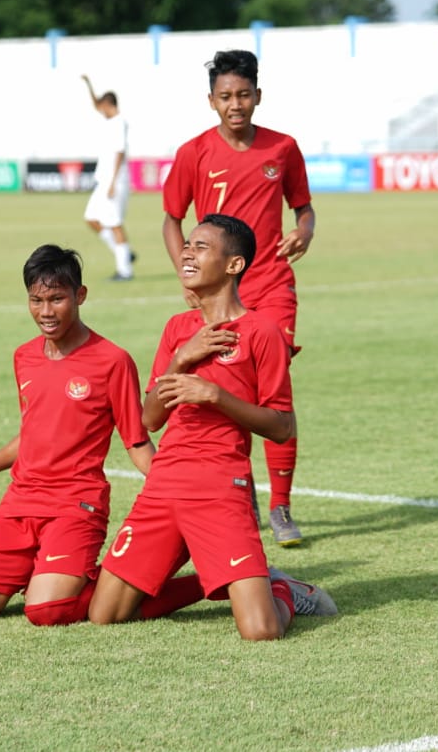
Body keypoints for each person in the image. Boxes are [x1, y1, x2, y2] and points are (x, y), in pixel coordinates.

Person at [89, 215, 336, 640]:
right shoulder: (177, 328)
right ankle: (221, 583)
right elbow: (150, 419)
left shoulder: (262, 331)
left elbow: (282, 427)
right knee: (105, 614)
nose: (187, 252)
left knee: (261, 631)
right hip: (165, 483)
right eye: (187, 244)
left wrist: (217, 397)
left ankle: (284, 589)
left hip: (221, 486)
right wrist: (180, 358)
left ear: (234, 265)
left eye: (201, 247)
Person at [0, 244, 154, 626]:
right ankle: (48, 570)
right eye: (36, 300)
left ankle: (106, 583)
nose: (46, 311)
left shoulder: (113, 361)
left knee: (46, 612)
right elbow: (33, 433)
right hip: (20, 504)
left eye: (57, 299)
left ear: (80, 295)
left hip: (75, 505)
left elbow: (136, 442)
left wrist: (175, 488)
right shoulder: (24, 356)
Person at [161, 49, 316, 547]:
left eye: (244, 95)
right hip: (221, 291)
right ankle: (241, 489)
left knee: (274, 387)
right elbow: (171, 218)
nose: (236, 104)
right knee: (230, 384)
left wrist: (304, 233)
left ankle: (281, 507)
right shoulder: (194, 153)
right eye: (226, 96)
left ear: (258, 96)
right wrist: (187, 274)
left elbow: (304, 208)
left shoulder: (283, 149)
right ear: (211, 101)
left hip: (272, 285)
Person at [81, 75, 135, 281]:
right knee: (91, 219)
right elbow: (95, 104)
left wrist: (112, 182)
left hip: (115, 181)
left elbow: (120, 152)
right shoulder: (109, 120)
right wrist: (88, 84)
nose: (99, 110)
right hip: (103, 182)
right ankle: (125, 253)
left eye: (102, 106)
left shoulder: (119, 123)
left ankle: (125, 270)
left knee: (115, 224)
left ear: (108, 104)